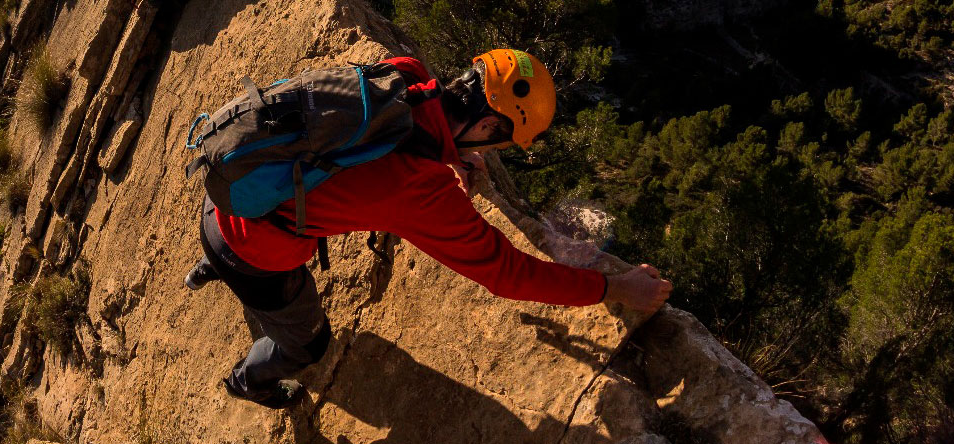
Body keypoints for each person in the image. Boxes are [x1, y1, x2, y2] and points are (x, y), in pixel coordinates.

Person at [187, 49, 674, 408]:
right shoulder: (423, 193)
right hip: (253, 253)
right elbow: (508, 273)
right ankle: (248, 381)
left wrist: (451, 152)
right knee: (308, 344)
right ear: (487, 128)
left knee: (253, 247)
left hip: (228, 186)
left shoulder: (405, 72)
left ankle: (210, 267)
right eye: (500, 140)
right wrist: (615, 288)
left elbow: (382, 132)